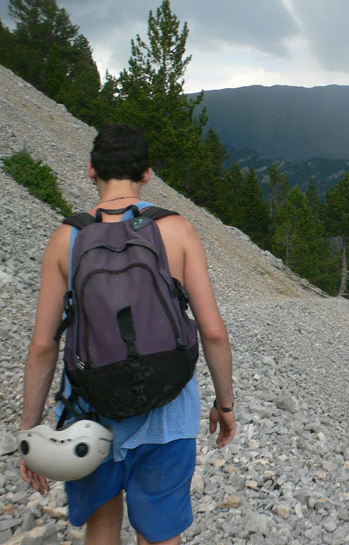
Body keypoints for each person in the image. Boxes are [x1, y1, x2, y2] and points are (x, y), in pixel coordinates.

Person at [19, 123, 236, 545]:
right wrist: (224, 403)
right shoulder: (177, 230)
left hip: (90, 412)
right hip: (167, 413)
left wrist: (31, 429)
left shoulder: (66, 238)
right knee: (159, 534)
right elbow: (212, 331)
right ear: (148, 174)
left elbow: (44, 345)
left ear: (91, 170)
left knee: (101, 526)